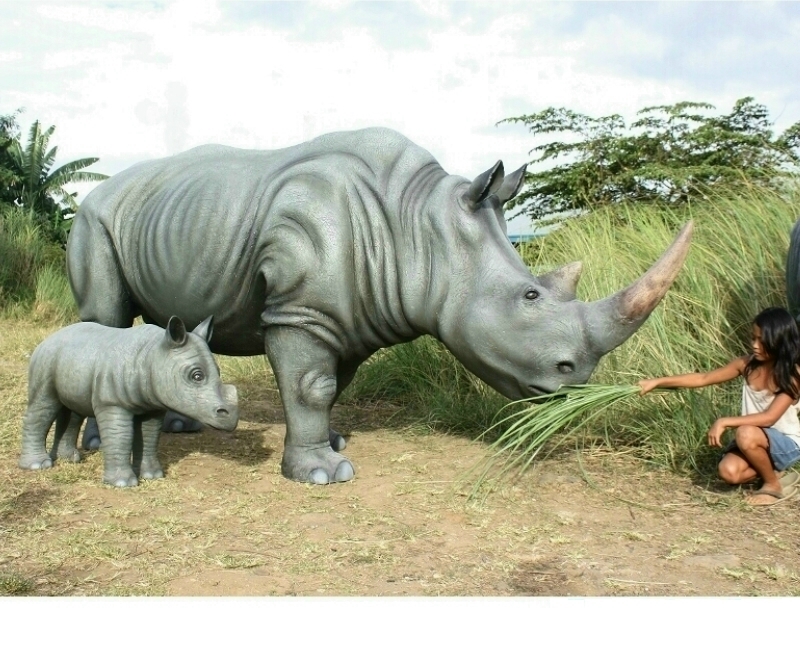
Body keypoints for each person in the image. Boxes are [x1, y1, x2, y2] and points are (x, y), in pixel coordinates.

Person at [638, 306, 800, 506]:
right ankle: (773, 470)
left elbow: (769, 418)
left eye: (762, 340)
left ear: (779, 340)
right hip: (753, 441)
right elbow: (703, 378)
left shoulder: (792, 376)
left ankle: (771, 485)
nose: (755, 345)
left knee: (745, 433)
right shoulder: (746, 365)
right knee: (729, 472)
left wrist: (725, 421)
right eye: (753, 338)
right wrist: (657, 382)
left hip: (785, 445)